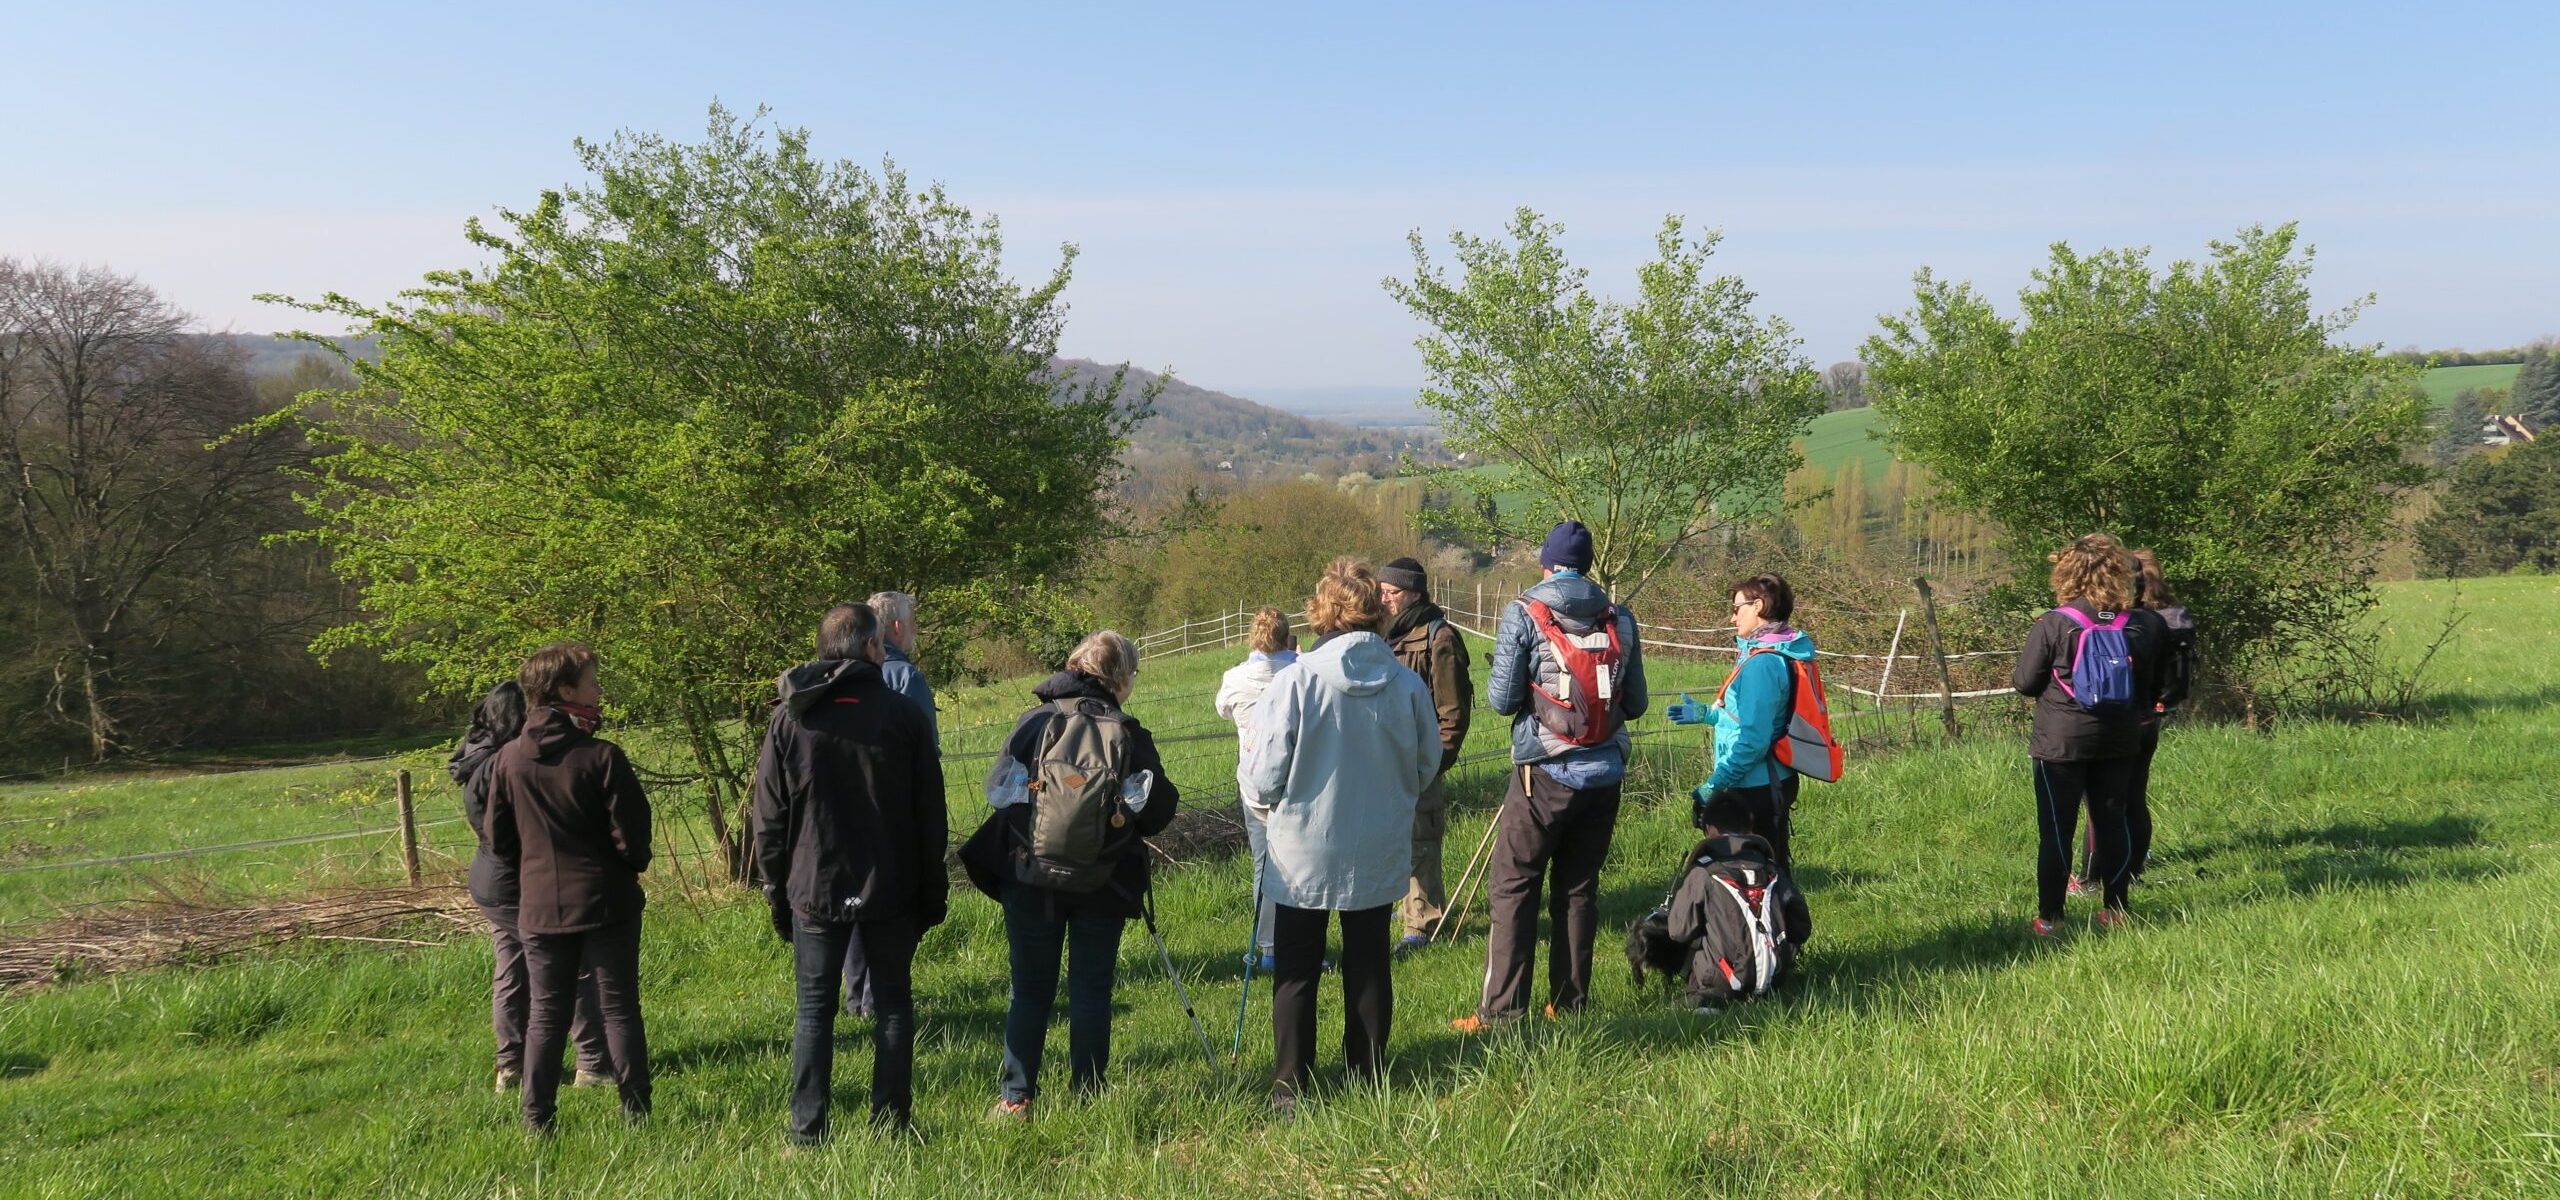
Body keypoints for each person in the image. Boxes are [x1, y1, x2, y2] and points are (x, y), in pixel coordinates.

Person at [1244, 558, 1442, 1114]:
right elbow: (1428, 764)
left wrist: (1264, 802)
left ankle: (1290, 1087)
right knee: (1369, 959)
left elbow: (1263, 777)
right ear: (1376, 614)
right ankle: (1367, 1075)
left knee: (1297, 968)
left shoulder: (1296, 683)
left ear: (1323, 613)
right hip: (1377, 838)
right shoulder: (1405, 684)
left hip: (1303, 844)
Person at [957, 631, 1180, 1121]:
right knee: (1091, 988)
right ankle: (1087, 1095)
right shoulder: (1128, 731)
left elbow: (999, 793)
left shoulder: (1034, 722)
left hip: (1031, 877)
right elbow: (1158, 810)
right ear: (1120, 677)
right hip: (1103, 881)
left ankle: (1016, 1097)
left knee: (1030, 990)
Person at [750, 603, 948, 1143]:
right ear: (868, 648)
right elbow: (932, 816)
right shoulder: (902, 716)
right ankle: (891, 1127)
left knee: (814, 1013)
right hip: (891, 885)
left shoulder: (793, 717)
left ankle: (806, 1132)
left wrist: (775, 885)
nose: (883, 651)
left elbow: (767, 817)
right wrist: (933, 888)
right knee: (892, 1007)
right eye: (880, 643)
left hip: (813, 885)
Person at [1455, 520, 1648, 1031]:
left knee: (1514, 885)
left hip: (1543, 771)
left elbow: (1500, 701)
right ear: (1587, 567)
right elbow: (1639, 702)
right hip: (1605, 772)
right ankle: (1569, 1003)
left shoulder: (1525, 611)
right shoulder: (1620, 617)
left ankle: (1503, 1012)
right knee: (1579, 886)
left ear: (1546, 564)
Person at [484, 643, 653, 1131]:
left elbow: (498, 840)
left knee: (545, 1014)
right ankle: (636, 1113)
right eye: (592, 679)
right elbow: (634, 838)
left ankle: (537, 1120)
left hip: (538, 906)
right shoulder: (600, 757)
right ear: (563, 689)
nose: (600, 688)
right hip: (606, 901)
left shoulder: (508, 760)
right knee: (619, 1005)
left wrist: (534, 870)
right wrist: (624, 867)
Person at [450, 680, 615, 1096]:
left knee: (512, 969)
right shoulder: (502, 763)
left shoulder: (479, 759)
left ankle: (513, 1066)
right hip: (516, 880)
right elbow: (508, 832)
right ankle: (592, 1063)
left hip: (494, 879)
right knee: (568, 964)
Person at [2012, 534, 2169, 934]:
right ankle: (2115, 910)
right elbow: (2154, 688)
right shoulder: (2144, 625)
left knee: (2056, 831)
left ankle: (2051, 919)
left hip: (2060, 742)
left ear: (2065, 574)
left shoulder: (2054, 623)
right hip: (2119, 739)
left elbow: (2026, 683)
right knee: (2112, 822)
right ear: (2121, 572)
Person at [838, 590, 939, 1022]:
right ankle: (880, 1000)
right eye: (912, 619)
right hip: (892, 809)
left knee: (853, 900)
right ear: (895, 627)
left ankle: (856, 996)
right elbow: (924, 753)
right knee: (888, 904)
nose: (915, 627)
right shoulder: (907, 679)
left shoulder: (839, 680)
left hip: (845, 809)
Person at [2073, 549, 2195, 891]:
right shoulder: (2172, 616)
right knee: (2135, 796)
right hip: (2152, 716)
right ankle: (2132, 870)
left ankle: (2091, 877)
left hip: (2118, 719)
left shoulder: (2125, 621)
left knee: (2102, 802)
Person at [1686, 574, 1817, 872]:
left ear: (1757, 606)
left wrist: (1715, 784)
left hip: (1756, 786)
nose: (1732, 618)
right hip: (1768, 778)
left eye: (1736, 609)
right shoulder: (1766, 653)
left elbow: (1753, 740)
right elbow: (1750, 721)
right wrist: (1709, 715)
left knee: (1755, 877)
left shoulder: (1762, 663)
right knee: (1769, 871)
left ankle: (1779, 918)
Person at [1376, 556, 1473, 952]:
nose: (1384, 600)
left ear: (1414, 592)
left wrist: (1435, 763)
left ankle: (1421, 925)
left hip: (1421, 762)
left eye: (1392, 592)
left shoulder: (1439, 637)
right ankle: (1390, 913)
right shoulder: (1384, 636)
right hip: (1383, 761)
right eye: (1381, 592)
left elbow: (1452, 712)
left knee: (1421, 842)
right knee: (1387, 841)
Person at [1215, 607, 1298, 968]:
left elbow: (1224, 710)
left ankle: (1269, 948)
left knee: (1264, 864)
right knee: (1302, 863)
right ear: (1286, 636)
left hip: (1254, 782)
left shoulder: (1235, 677)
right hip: (1298, 781)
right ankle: (1301, 947)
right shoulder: (1300, 672)